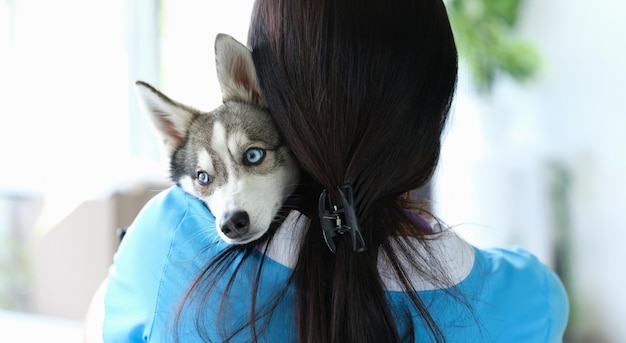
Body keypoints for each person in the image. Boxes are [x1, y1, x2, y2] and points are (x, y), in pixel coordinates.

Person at [85, 0, 569, 342]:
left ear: (269, 92)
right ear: (436, 111)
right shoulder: (528, 297)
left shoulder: (168, 237)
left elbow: (103, 324)